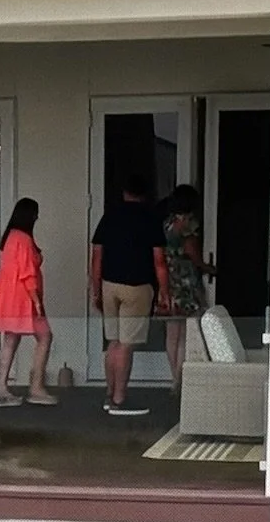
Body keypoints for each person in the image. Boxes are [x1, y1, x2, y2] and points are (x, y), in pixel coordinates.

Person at [90, 175, 167, 417]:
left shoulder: (110, 216)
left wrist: (96, 289)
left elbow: (97, 257)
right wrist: (165, 290)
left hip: (109, 284)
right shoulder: (150, 218)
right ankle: (120, 399)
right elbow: (159, 260)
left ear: (124, 192)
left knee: (113, 341)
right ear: (145, 194)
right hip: (137, 286)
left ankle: (109, 394)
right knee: (126, 343)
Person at [0, 198, 54, 406]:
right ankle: (36, 386)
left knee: (10, 339)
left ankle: (1, 387)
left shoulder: (8, 237)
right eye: (35, 213)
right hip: (22, 298)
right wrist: (37, 301)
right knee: (45, 336)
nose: (37, 217)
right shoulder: (24, 239)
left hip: (6, 296)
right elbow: (27, 274)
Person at [159, 183, 214, 394]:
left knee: (171, 334)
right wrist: (209, 267)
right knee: (185, 335)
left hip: (168, 281)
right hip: (186, 282)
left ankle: (174, 377)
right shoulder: (189, 223)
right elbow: (192, 253)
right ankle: (180, 380)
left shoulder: (167, 223)